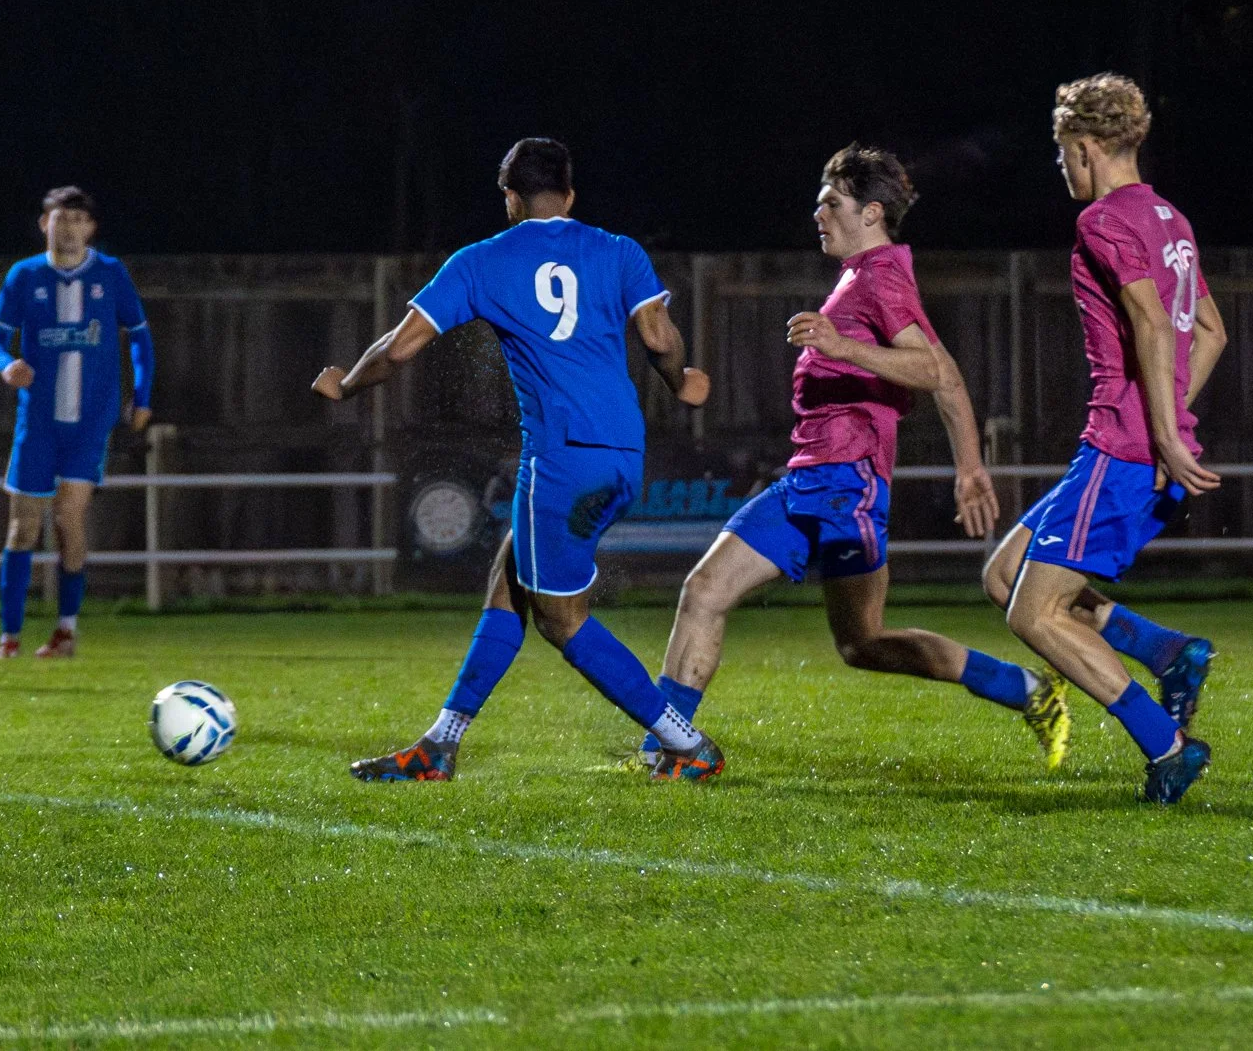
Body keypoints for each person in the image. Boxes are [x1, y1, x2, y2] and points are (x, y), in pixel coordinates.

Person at [637, 145, 1072, 770]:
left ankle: (1027, 690)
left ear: (871, 212)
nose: (817, 212)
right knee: (705, 590)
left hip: (849, 485)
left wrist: (842, 346)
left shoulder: (881, 276)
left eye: (831, 201)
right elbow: (945, 378)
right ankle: (668, 751)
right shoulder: (857, 277)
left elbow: (931, 369)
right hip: (805, 482)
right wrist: (970, 465)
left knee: (864, 641)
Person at [312, 138, 720, 781]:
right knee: (510, 582)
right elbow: (659, 337)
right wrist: (681, 382)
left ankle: (686, 743)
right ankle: (439, 745)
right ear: (571, 193)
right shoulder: (618, 251)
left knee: (561, 622)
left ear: (508, 197)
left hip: (561, 460)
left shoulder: (481, 262)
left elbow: (398, 348)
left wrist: (345, 384)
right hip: (622, 456)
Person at [987, 74, 1228, 804]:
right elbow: (1212, 332)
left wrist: (1158, 433)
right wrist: (1174, 424)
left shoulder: (1101, 220)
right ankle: (1168, 651)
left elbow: (1155, 323)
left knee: (1033, 612)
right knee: (1004, 575)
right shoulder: (1170, 217)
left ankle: (1167, 746)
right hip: (1137, 444)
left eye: (1062, 152)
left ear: (1087, 147)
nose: (1060, 167)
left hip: (1121, 449)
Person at [0, 187, 155, 659]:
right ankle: (10, 638)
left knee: (68, 517)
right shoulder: (24, 276)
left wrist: (142, 397)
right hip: (37, 421)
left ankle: (65, 630)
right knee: (22, 528)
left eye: (79, 219)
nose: (70, 227)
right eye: (61, 218)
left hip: (89, 421)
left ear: (90, 228)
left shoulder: (110, 274)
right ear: (45, 224)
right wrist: (6, 365)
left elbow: (140, 338)